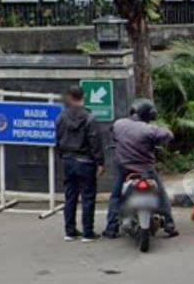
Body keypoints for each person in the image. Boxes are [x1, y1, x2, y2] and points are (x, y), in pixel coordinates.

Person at [102, 99, 178, 238]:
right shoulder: (150, 129)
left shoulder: (119, 124)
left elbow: (113, 133)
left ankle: (111, 228)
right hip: (145, 170)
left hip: (124, 169)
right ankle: (169, 224)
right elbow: (168, 135)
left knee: (116, 196)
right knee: (161, 193)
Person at [56, 86, 105, 242]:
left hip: (68, 161)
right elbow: (95, 141)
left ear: (70, 97)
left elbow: (57, 139)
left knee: (70, 196)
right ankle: (88, 232)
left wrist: (62, 156)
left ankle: (69, 232)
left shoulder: (61, 117)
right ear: (83, 97)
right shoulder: (90, 118)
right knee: (88, 197)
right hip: (86, 162)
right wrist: (100, 162)